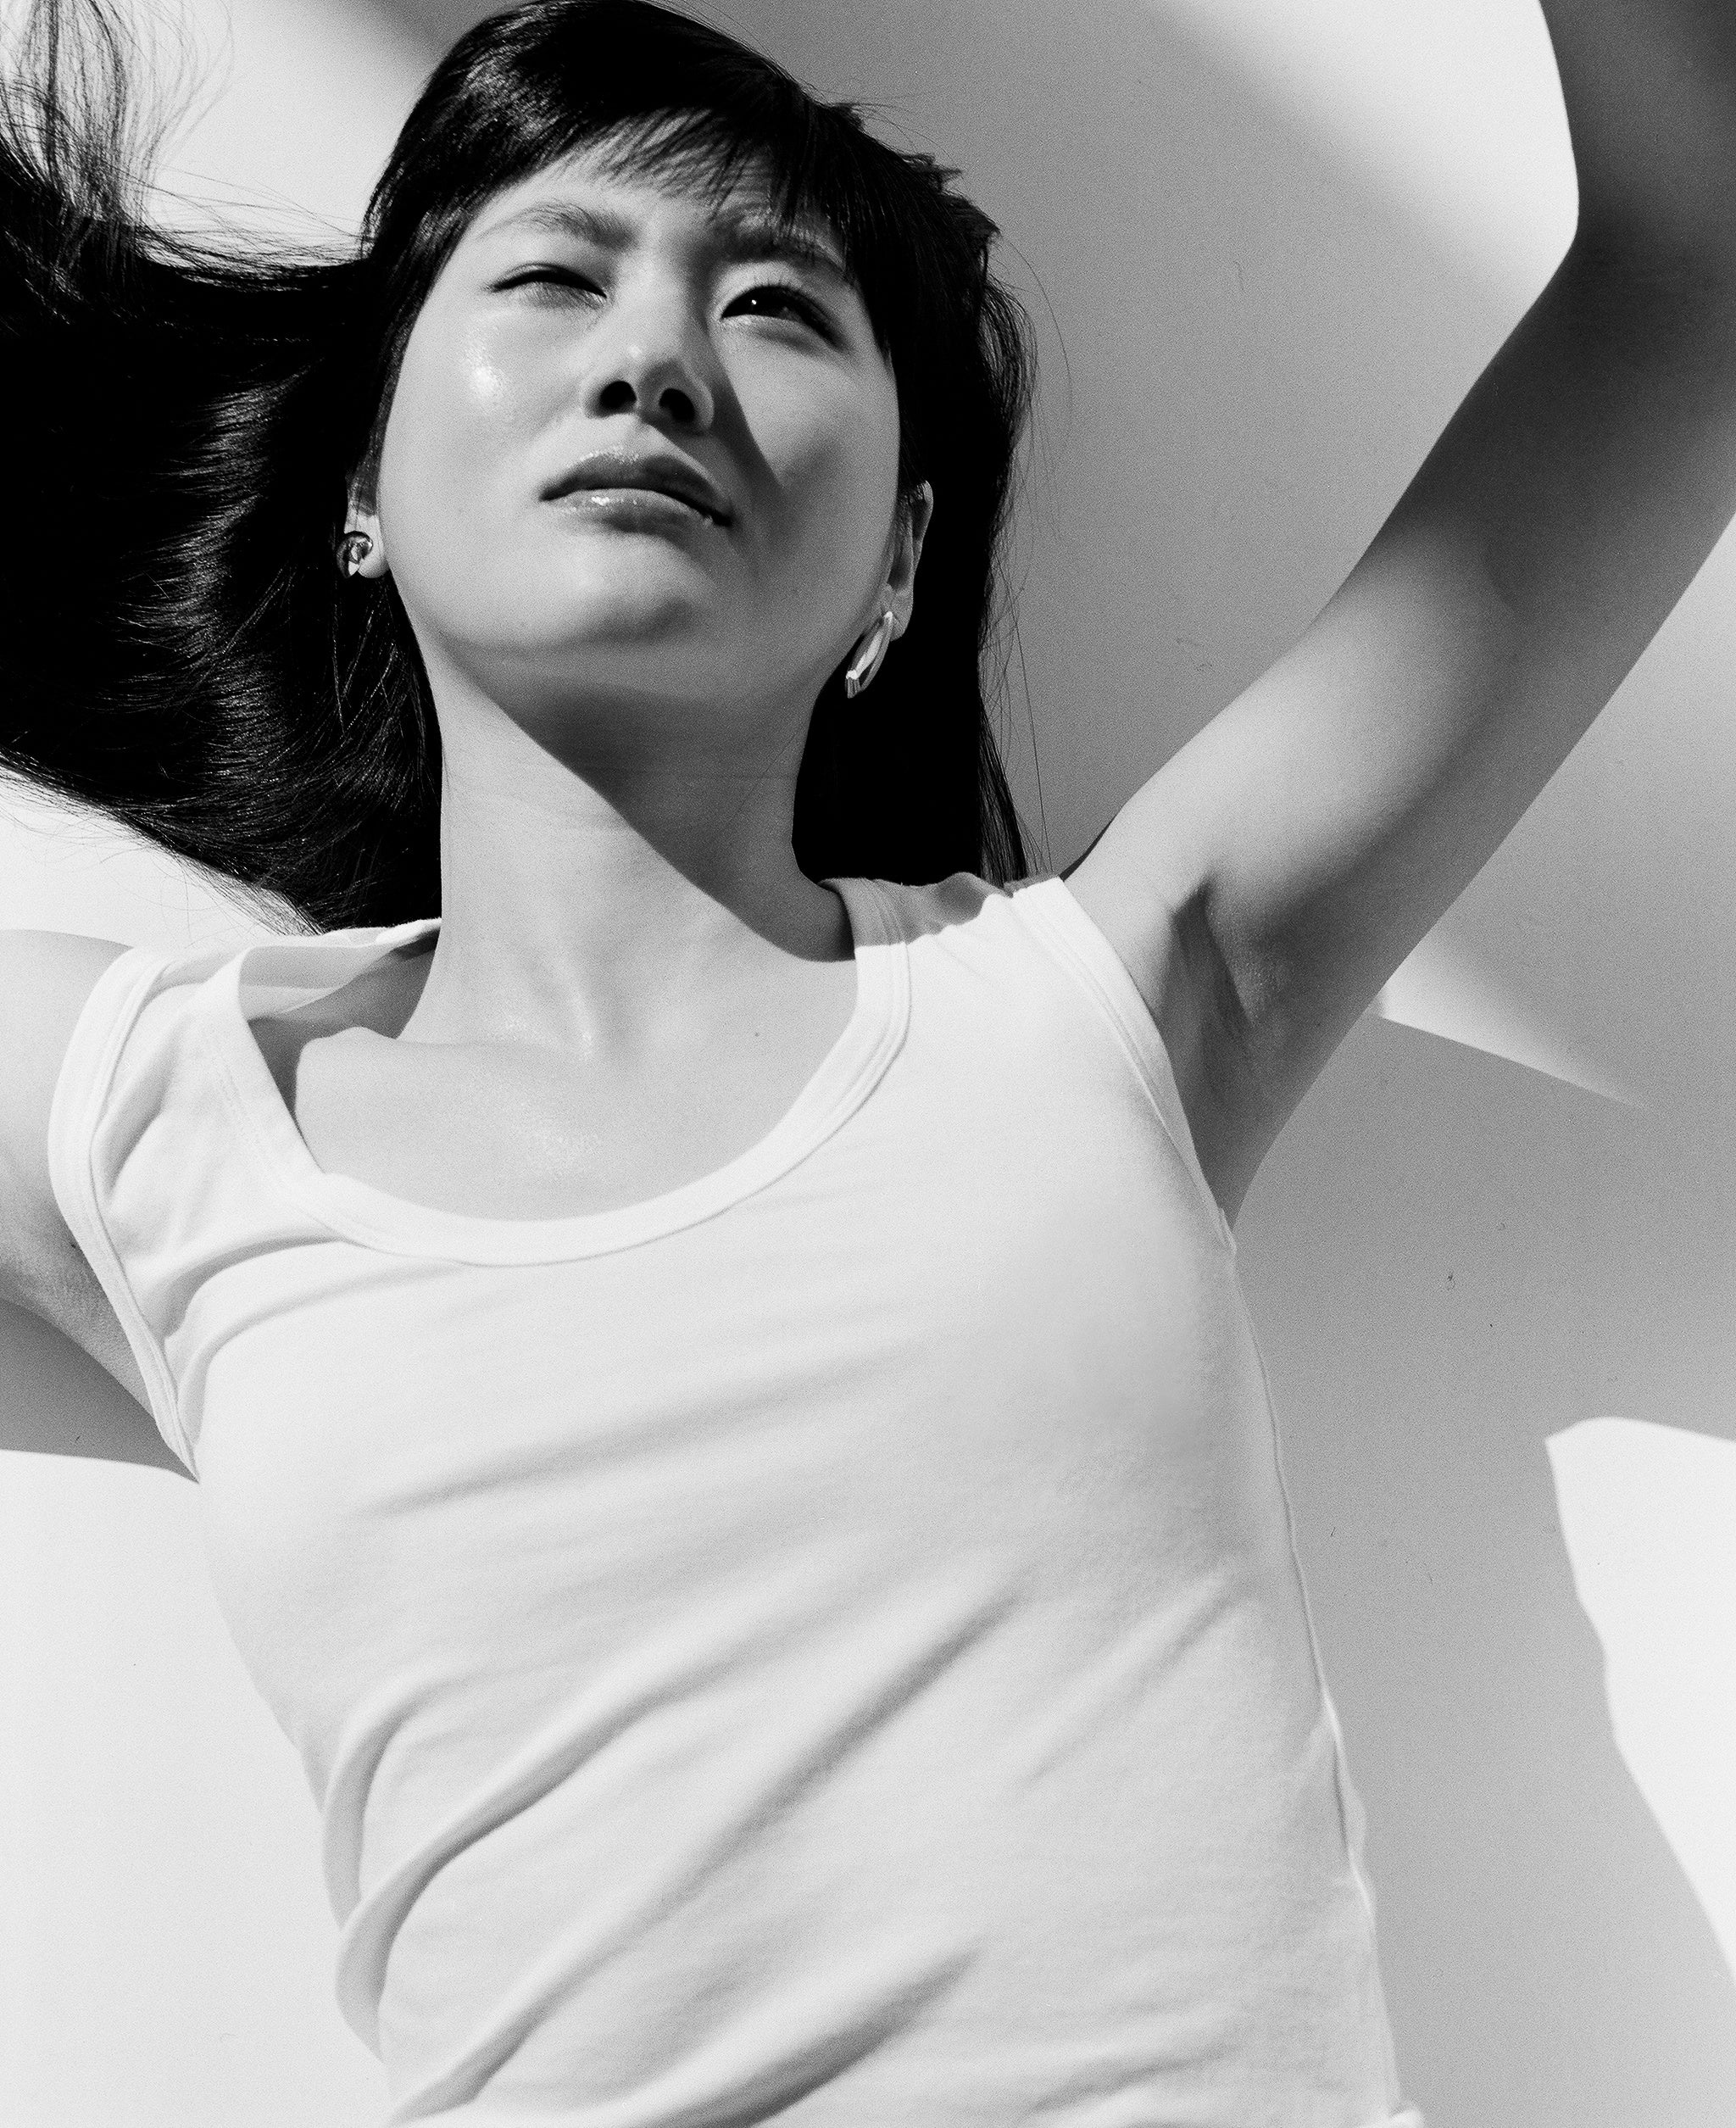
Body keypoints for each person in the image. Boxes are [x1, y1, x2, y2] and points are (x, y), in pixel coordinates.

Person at [2, 0, 1733, 2120]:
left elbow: (1698, 260)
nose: (653, 360)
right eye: (551, 276)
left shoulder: (1109, 999)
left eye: (775, 309)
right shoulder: (157, 1108)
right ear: (362, 484)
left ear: (896, 565)